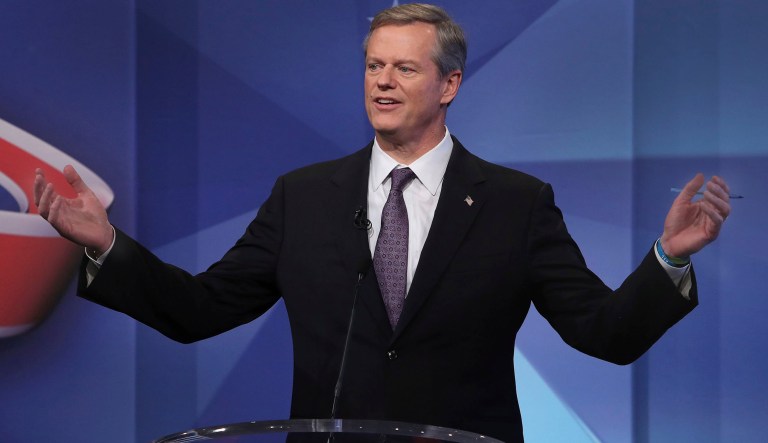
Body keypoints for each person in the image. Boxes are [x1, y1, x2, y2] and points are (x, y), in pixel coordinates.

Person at [33, 4, 731, 442]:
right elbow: (198, 309)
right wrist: (106, 245)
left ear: (449, 84)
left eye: (403, 67)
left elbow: (603, 332)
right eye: (373, 66)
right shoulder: (304, 197)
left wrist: (668, 258)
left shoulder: (515, 203)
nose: (383, 81)